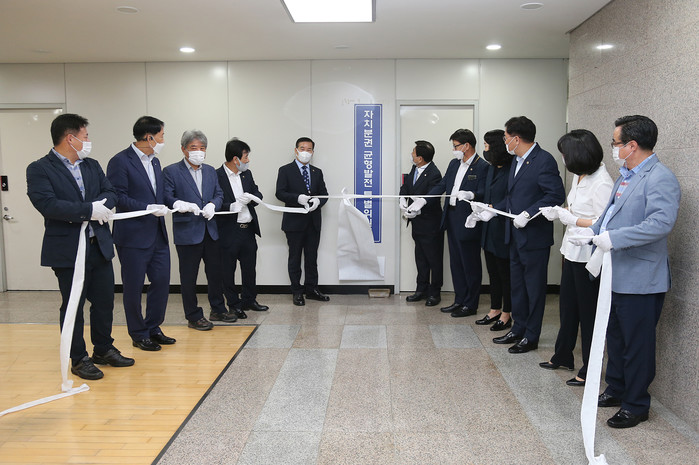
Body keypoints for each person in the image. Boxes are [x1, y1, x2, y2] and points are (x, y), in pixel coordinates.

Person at [576, 115, 680, 428]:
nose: (613, 148)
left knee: (637, 344)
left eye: (615, 143)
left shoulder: (659, 177)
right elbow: (610, 215)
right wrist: (593, 231)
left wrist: (615, 238)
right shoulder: (626, 175)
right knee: (616, 338)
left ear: (631, 145)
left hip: (641, 278)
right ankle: (616, 388)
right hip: (615, 273)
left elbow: (660, 224)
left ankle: (636, 405)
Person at [27, 113, 134, 380]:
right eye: (85, 136)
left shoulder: (91, 165)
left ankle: (103, 349)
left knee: (104, 302)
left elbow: (111, 192)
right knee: (73, 304)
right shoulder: (40, 168)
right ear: (70, 138)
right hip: (68, 250)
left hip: (99, 245)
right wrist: (88, 210)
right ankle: (78, 358)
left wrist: (101, 206)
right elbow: (48, 204)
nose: (88, 141)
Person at [474, 116, 565, 353]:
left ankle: (531, 336)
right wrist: (493, 211)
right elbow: (512, 196)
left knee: (533, 289)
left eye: (506, 137)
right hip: (513, 235)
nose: (504, 142)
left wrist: (529, 213)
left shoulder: (544, 160)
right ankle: (518, 328)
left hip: (534, 238)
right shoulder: (516, 160)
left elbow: (555, 195)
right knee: (517, 287)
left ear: (516, 138)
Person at [539, 129, 613, 387]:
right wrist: (560, 211)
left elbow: (604, 222)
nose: (563, 159)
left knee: (588, 313)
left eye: (565, 154)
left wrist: (573, 219)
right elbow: (574, 207)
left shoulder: (602, 182)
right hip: (571, 250)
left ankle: (589, 368)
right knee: (568, 307)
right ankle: (562, 354)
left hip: (588, 256)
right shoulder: (579, 175)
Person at [107, 116, 174, 352]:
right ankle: (138, 333)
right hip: (133, 236)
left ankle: (153, 327)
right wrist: (147, 208)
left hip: (157, 234)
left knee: (161, 282)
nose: (163, 140)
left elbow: (160, 195)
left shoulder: (155, 162)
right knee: (133, 287)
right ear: (149, 137)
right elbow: (118, 197)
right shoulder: (120, 161)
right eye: (162, 135)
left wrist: (177, 202)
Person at [409, 128, 488, 318]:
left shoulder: (482, 166)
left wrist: (472, 194)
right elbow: (442, 185)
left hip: (468, 219)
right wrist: (424, 200)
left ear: (466, 146)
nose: (454, 150)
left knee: (470, 263)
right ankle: (459, 300)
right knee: (456, 262)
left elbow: (485, 191)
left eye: (456, 146)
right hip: (451, 217)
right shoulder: (454, 164)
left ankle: (470, 304)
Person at [163, 130, 230, 330]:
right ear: (183, 149)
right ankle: (193, 315)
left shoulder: (210, 171)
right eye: (194, 148)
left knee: (215, 273)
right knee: (189, 277)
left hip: (210, 230)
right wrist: (179, 204)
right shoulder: (171, 171)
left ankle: (218, 309)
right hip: (187, 232)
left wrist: (213, 204)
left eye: (202, 148)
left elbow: (219, 194)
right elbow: (166, 196)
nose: (199, 152)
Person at [216, 138, 269, 319]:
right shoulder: (216, 176)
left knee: (249, 268)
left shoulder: (247, 174)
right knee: (227, 270)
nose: (248, 160)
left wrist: (252, 198)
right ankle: (233, 304)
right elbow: (213, 202)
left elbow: (258, 193)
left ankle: (249, 300)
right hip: (228, 231)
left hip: (248, 229)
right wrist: (230, 205)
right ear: (235, 159)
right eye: (245, 157)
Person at [275, 137, 329, 306]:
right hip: (294, 223)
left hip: (313, 222)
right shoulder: (285, 170)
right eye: (302, 148)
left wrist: (318, 201)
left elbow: (324, 194)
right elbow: (280, 193)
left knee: (312, 258)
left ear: (313, 152)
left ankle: (312, 289)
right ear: (296, 150)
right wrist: (297, 198)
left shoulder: (317, 172)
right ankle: (297, 292)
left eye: (309, 149)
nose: (306, 152)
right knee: (295, 258)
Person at [475, 130, 513, 331]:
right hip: (488, 228)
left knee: (504, 273)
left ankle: (507, 313)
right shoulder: (491, 168)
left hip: (503, 228)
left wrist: (494, 208)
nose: (484, 149)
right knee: (492, 272)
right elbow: (486, 192)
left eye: (486, 145)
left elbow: (512, 198)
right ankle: (495, 308)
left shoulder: (511, 167)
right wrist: (476, 202)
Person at [399, 140, 444, 307]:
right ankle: (421, 289)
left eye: (413, 152)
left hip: (431, 224)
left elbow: (433, 198)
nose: (411, 155)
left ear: (420, 158)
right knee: (421, 258)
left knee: (434, 260)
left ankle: (435, 293)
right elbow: (406, 186)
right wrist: (402, 198)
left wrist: (418, 209)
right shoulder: (415, 168)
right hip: (417, 223)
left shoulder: (434, 173)